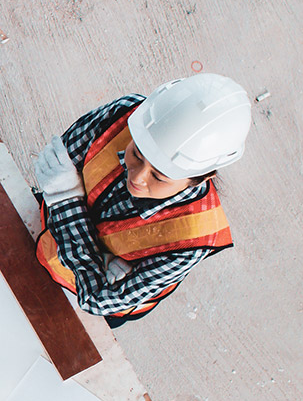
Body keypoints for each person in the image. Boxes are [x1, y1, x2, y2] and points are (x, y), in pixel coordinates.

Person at [31, 73, 251, 327]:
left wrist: (65, 197)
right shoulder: (126, 115)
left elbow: (95, 299)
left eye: (159, 176)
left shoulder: (192, 239)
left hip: (69, 296)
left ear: (198, 179)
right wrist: (97, 262)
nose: (137, 177)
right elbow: (51, 163)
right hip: (42, 229)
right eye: (136, 154)